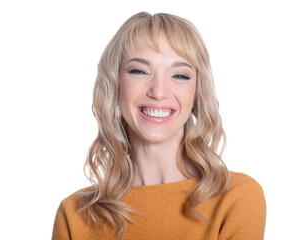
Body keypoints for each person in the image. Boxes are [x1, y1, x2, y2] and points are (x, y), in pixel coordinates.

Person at [52, 12, 266, 240]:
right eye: (139, 71)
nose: (158, 91)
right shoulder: (75, 214)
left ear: (197, 94)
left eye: (180, 75)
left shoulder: (236, 197)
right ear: (115, 86)